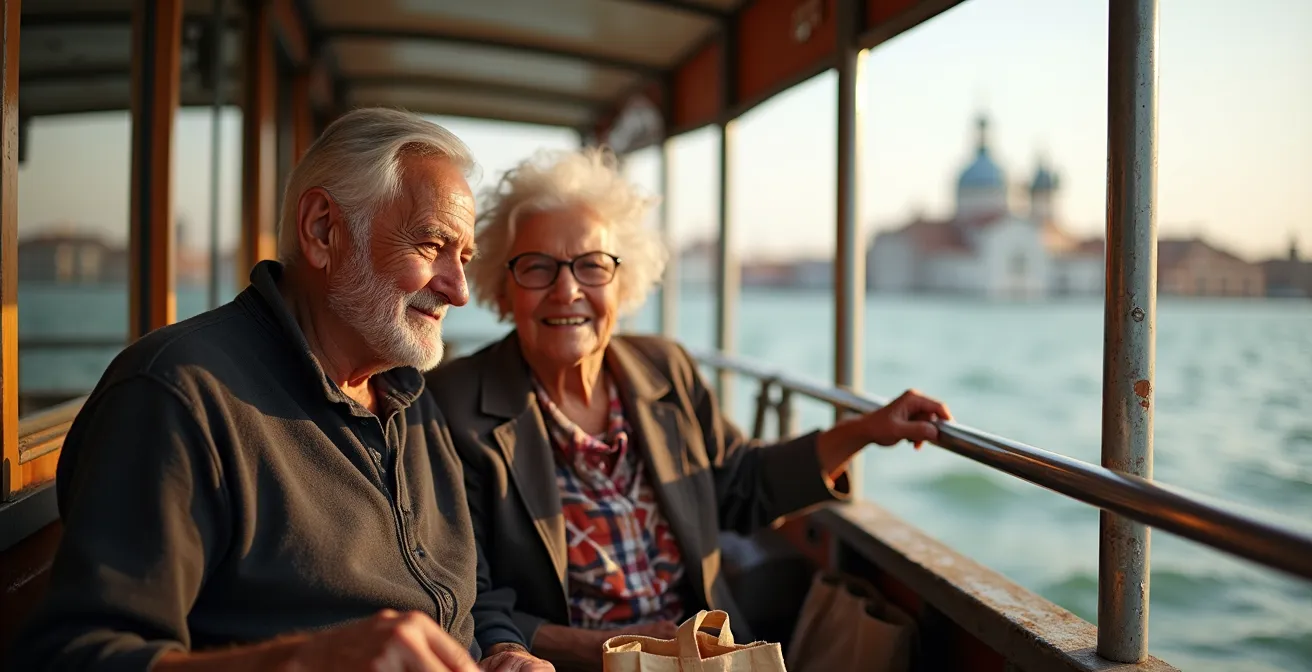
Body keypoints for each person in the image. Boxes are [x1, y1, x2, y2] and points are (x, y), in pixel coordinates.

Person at [10, 108, 552, 672]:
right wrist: (310, 660)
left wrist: (504, 651)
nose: (458, 290)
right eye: (431, 244)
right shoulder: (176, 396)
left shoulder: (409, 394)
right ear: (322, 229)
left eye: (464, 258)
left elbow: (466, 587)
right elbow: (73, 657)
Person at [425, 147, 952, 670]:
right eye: (538, 267)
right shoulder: (453, 404)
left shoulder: (665, 369)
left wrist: (862, 431)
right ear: (503, 282)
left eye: (592, 266)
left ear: (623, 282)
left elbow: (740, 485)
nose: (567, 291)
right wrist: (603, 647)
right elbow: (467, 593)